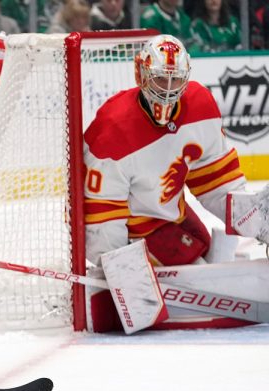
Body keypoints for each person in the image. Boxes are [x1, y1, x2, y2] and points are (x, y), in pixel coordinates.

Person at [82, 34, 255, 332]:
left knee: (207, 249)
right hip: (132, 232)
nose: (168, 90)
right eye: (161, 80)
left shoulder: (200, 105)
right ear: (142, 74)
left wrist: (252, 219)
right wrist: (119, 274)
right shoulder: (111, 131)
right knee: (202, 275)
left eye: (176, 81)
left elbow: (216, 181)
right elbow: (101, 221)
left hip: (172, 216)